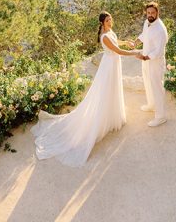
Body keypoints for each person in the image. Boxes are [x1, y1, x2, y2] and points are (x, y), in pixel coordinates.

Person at [32, 10, 142, 166]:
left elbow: (117, 41)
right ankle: (101, 119)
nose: (110, 22)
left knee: (113, 90)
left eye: (111, 19)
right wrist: (134, 52)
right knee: (105, 92)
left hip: (114, 64)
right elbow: (117, 50)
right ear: (102, 23)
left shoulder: (109, 32)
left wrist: (127, 42)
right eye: (108, 20)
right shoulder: (104, 37)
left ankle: (112, 116)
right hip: (109, 66)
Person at [134, 1, 169, 126]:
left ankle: (161, 117)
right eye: (148, 12)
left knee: (157, 87)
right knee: (148, 83)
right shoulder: (147, 22)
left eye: (153, 12)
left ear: (158, 12)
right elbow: (145, 35)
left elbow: (158, 51)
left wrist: (144, 57)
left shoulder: (160, 29)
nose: (150, 15)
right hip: (146, 59)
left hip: (155, 62)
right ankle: (151, 105)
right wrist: (136, 41)